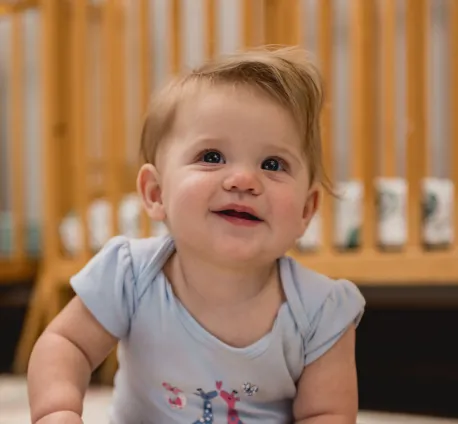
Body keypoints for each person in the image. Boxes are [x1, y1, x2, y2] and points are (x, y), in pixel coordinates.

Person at [27, 46, 365, 424]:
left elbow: (327, 413)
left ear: (306, 209)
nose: (243, 180)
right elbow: (66, 344)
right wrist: (56, 411)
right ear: (156, 194)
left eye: (273, 164)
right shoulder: (130, 274)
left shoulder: (320, 312)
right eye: (212, 157)